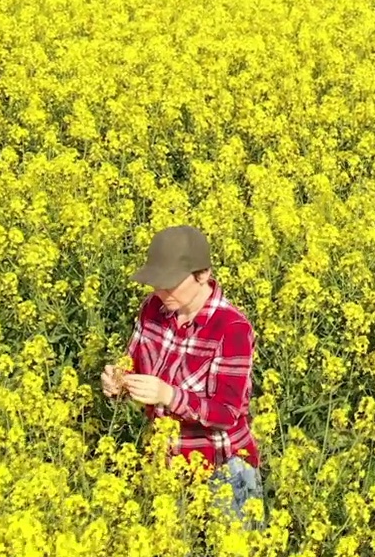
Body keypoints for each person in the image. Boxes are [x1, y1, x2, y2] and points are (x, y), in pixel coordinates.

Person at [101, 224, 264, 526]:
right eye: (156, 283)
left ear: (202, 275)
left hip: (222, 467)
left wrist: (169, 396)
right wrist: (118, 380)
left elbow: (227, 413)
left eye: (170, 283)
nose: (160, 292)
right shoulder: (153, 308)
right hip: (164, 464)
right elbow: (134, 362)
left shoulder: (231, 328)